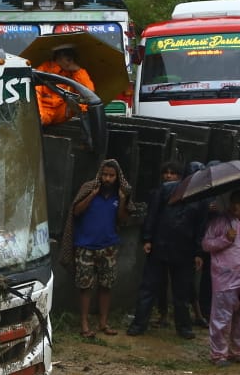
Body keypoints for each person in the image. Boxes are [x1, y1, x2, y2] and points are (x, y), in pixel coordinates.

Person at [127, 160, 197, 338]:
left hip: (183, 249)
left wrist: (198, 252)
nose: (168, 176)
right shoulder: (165, 190)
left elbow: (200, 226)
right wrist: (148, 238)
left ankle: (183, 327)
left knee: (180, 292)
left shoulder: (198, 196)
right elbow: (152, 215)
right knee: (149, 288)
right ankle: (139, 324)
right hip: (161, 245)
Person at [63, 159, 130, 337]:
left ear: (117, 177)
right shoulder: (88, 189)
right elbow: (76, 211)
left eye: (111, 175)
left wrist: (122, 202)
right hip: (85, 246)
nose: (107, 178)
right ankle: (84, 324)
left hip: (108, 247)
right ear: (100, 174)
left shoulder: (120, 194)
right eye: (105, 174)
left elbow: (123, 220)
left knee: (106, 286)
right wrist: (92, 195)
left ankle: (103, 323)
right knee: (85, 287)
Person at [202, 188, 240, 366]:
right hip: (225, 279)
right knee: (221, 317)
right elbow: (206, 244)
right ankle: (218, 355)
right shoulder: (219, 223)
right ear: (230, 203)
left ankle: (238, 352)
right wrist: (225, 239)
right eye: (236, 202)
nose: (239, 206)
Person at [35, 45, 96, 127]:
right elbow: (35, 94)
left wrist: (78, 71)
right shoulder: (43, 70)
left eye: (72, 59)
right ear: (58, 58)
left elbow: (89, 93)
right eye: (68, 59)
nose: (71, 62)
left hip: (63, 116)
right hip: (45, 114)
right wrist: (40, 117)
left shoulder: (74, 73)